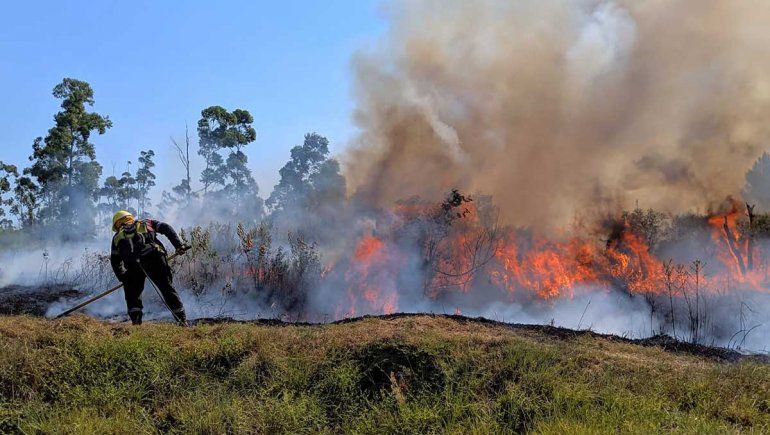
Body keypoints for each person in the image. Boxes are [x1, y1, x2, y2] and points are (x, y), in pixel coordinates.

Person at [110, 210, 191, 325]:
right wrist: (178, 245)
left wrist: (124, 278)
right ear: (130, 218)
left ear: (116, 224)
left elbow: (115, 261)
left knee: (132, 296)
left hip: (133, 267)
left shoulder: (117, 237)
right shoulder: (146, 223)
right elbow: (166, 228)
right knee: (167, 289)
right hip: (155, 260)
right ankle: (182, 321)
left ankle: (136, 325)